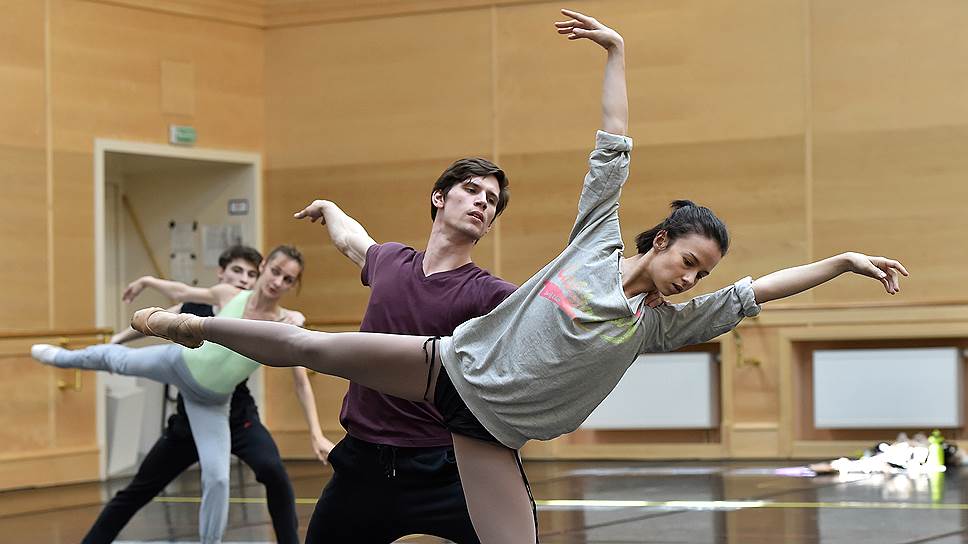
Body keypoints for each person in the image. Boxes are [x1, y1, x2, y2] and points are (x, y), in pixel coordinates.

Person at [129, 10, 908, 543]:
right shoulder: (593, 245)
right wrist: (617, 52)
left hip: (490, 435)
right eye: (686, 261)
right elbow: (614, 141)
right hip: (449, 371)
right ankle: (192, 324)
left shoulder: (657, 326)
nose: (688, 279)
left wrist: (840, 263)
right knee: (315, 348)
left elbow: (754, 294)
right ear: (662, 240)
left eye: (699, 274)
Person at [32, 245, 332, 544]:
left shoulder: (285, 324)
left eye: (288, 279)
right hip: (178, 365)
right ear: (265, 267)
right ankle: (61, 357)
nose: (277, 282)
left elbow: (301, 381)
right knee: (118, 359)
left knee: (218, 478)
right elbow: (181, 293)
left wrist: (316, 433)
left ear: (293, 286)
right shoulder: (228, 295)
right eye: (275, 272)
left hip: (212, 404)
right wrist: (148, 282)